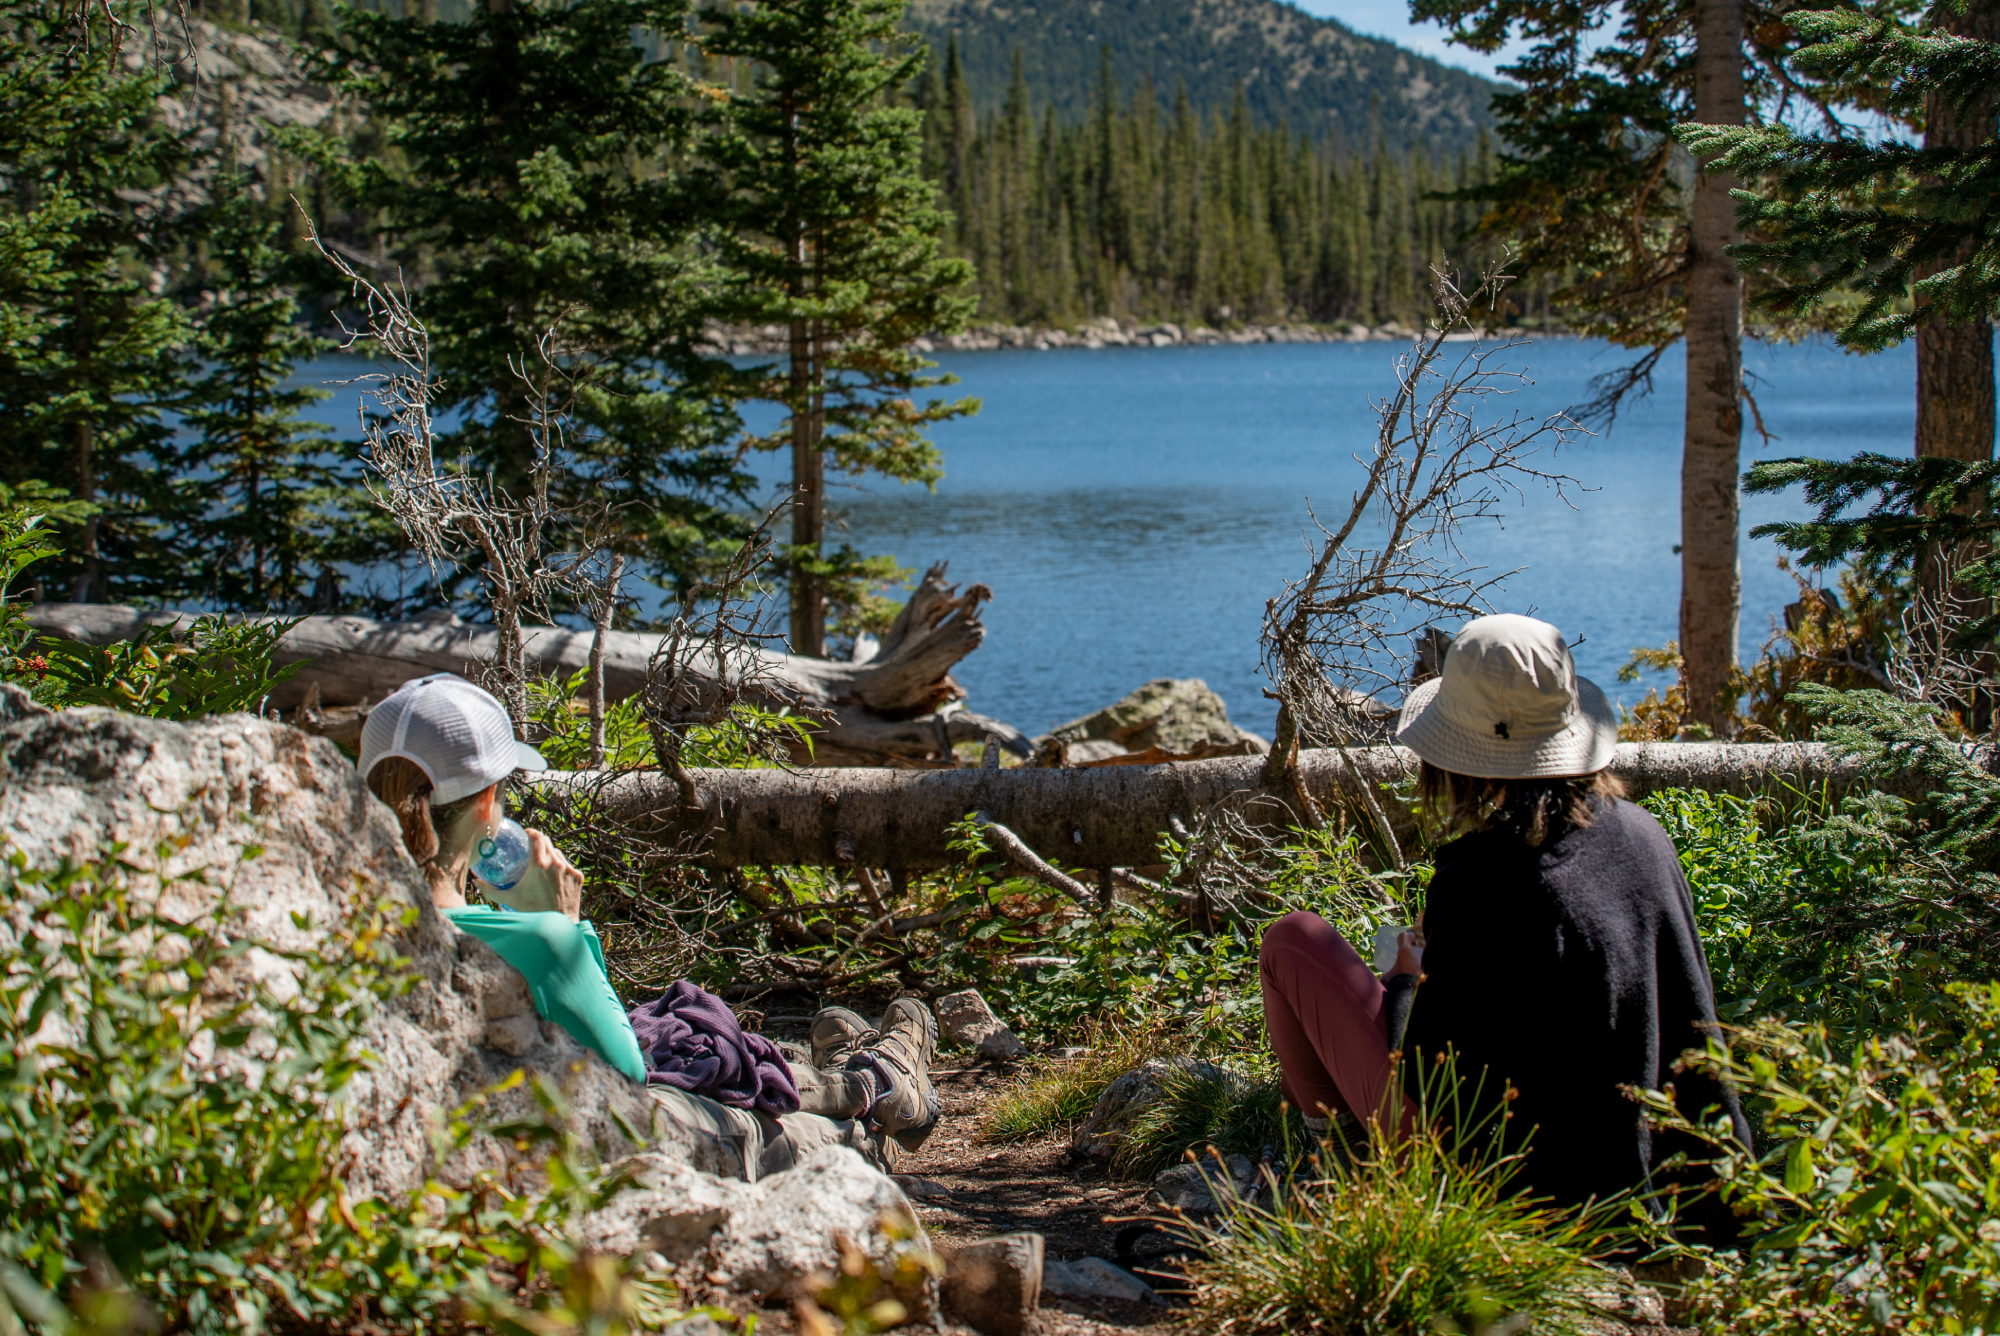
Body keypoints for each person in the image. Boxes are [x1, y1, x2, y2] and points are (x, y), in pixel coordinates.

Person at [1258, 614, 1749, 1224]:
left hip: (1520, 1195)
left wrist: (1410, 976)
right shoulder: (1645, 836)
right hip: (1663, 1175)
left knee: (1294, 940)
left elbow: (1434, 1076)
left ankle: (1340, 1172)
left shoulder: (1481, 878)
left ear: (1457, 751)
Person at [358, 672, 941, 1180]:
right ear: (488, 802)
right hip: (603, 1158)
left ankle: (867, 1079)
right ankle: (875, 1099)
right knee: (755, 1118)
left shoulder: (343, 929)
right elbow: (624, 1078)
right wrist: (562, 927)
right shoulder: (535, 940)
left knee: (725, 1062)